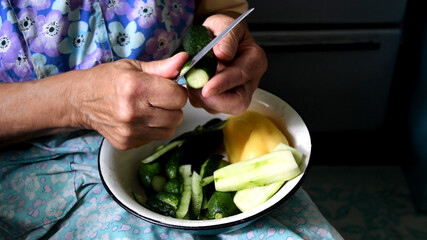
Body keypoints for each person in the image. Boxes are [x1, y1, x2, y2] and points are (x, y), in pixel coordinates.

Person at [0, 0, 343, 239]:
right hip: (34, 160)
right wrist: (74, 101)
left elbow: (220, 10)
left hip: (185, 124)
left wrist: (226, 38)